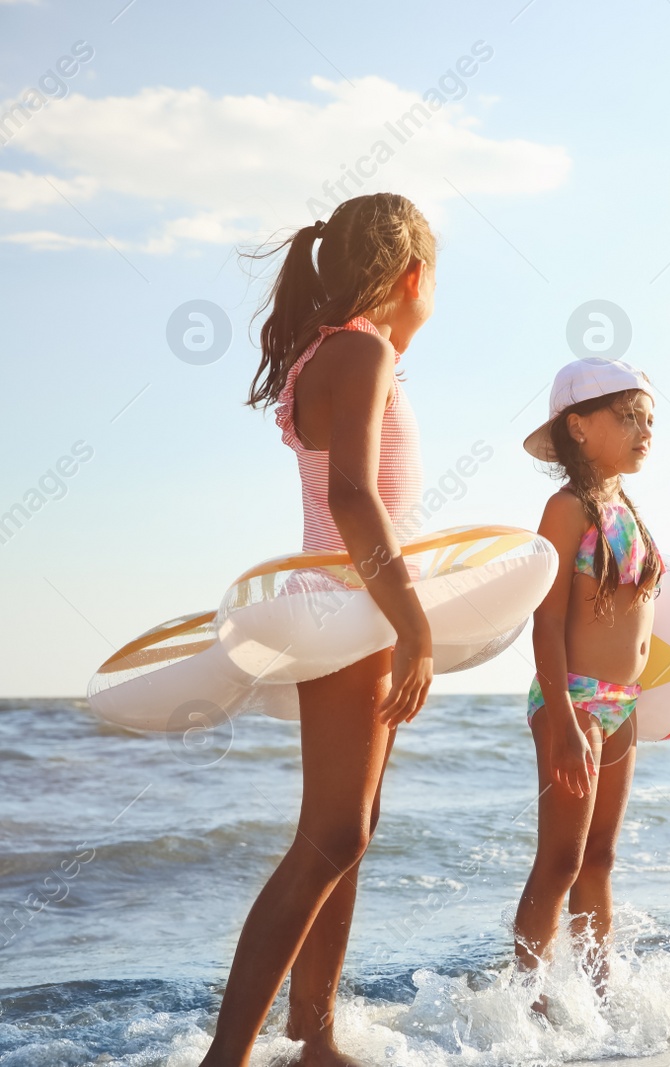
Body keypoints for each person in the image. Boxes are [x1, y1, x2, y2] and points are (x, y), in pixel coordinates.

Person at [203, 193, 436, 1067]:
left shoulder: (331, 354)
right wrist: (413, 626)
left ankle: (316, 1039)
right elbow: (351, 498)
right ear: (412, 276)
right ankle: (225, 1057)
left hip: (349, 601)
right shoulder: (361, 350)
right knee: (330, 834)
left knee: (352, 830)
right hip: (350, 603)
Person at [513, 357, 664, 1004]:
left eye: (649, 419)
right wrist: (569, 725)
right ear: (577, 425)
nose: (644, 430)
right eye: (628, 416)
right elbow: (544, 624)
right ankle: (526, 999)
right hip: (570, 698)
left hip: (620, 703)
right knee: (562, 858)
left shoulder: (622, 503)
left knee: (599, 857)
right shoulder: (566, 507)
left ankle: (600, 995)